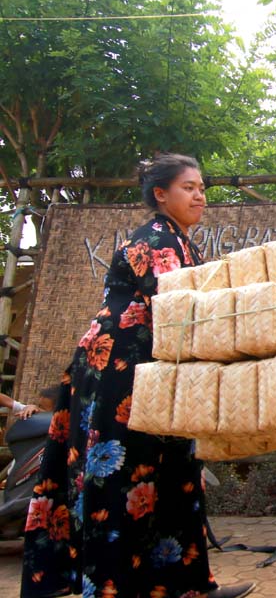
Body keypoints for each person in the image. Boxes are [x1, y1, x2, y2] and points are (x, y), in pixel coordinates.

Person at [20, 154, 255, 598]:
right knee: (125, 477)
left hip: (153, 372)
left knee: (175, 472)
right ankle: (115, 588)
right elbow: (185, 312)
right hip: (119, 373)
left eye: (202, 187)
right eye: (189, 187)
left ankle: (186, 587)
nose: (200, 195)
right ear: (160, 194)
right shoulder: (155, 239)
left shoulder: (183, 242)